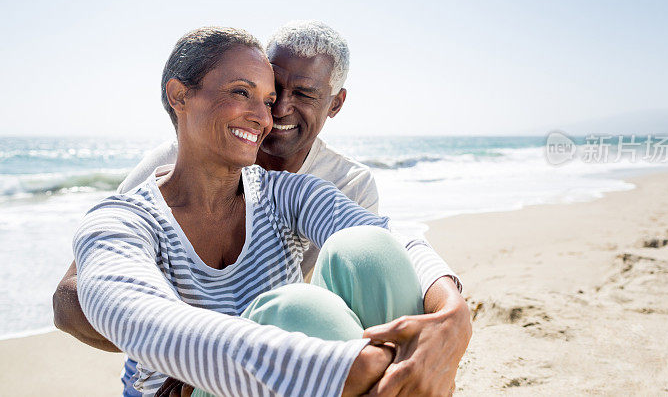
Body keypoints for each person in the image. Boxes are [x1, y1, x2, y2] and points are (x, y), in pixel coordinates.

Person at [68, 27, 471, 396]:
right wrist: (343, 367)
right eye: (243, 92)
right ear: (180, 96)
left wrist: (453, 310)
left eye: (267, 99)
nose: (268, 116)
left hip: (296, 363)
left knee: (368, 248)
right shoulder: (121, 218)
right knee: (301, 311)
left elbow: (389, 236)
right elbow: (130, 312)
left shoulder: (288, 192)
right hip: (192, 383)